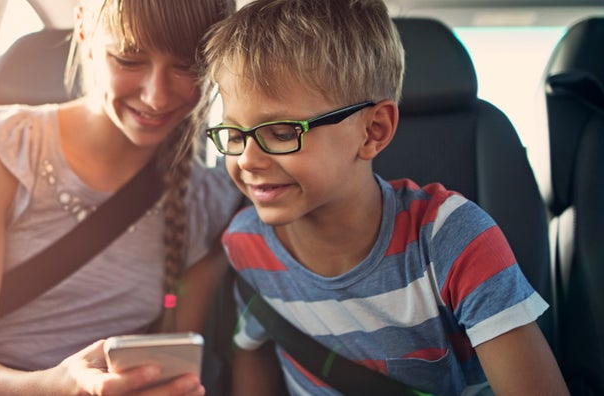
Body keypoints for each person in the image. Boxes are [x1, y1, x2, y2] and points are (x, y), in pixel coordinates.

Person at [198, 0, 569, 395]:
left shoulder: (451, 241)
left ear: (373, 131)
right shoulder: (245, 246)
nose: (247, 159)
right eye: (234, 135)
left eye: (284, 132)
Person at [0, 0, 241, 395]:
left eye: (185, 66)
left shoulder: (208, 202)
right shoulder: (4, 150)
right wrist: (53, 388)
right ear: (85, 32)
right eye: (129, 59)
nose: (157, 97)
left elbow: (170, 364)